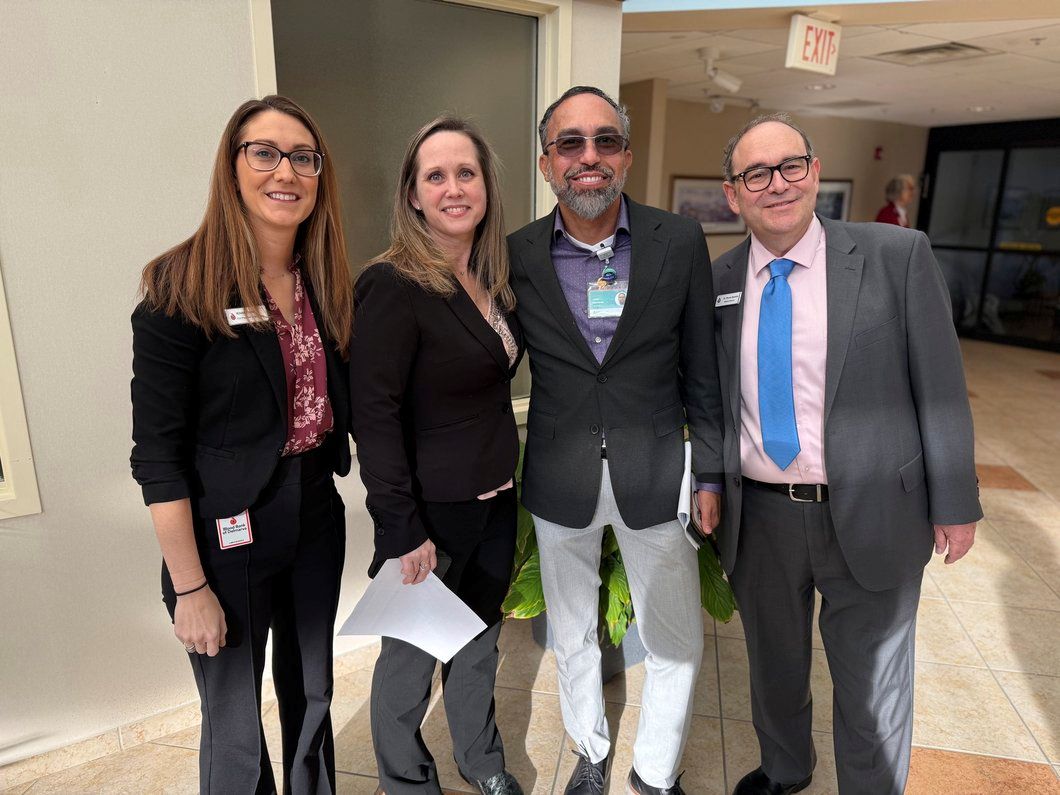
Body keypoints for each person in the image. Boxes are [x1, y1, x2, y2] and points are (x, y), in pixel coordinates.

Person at [711, 113, 981, 795]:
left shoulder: (897, 255)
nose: (777, 184)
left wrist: (955, 500)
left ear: (815, 171)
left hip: (876, 509)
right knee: (774, 664)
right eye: (756, 174)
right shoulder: (717, 282)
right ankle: (785, 769)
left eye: (791, 165)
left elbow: (941, 388)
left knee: (872, 680)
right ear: (732, 194)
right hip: (761, 516)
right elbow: (708, 399)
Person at [130, 95, 354, 793]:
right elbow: (157, 457)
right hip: (224, 530)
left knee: (312, 692)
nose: (286, 171)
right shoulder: (180, 288)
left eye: (303, 158)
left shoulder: (326, 283)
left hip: (314, 508)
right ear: (232, 166)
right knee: (232, 724)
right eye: (265, 152)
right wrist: (190, 586)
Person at [507, 86, 724, 795]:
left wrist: (710, 474)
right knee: (571, 633)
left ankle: (654, 773)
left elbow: (703, 369)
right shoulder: (516, 254)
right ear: (547, 163)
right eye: (570, 143)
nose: (589, 156)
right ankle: (590, 749)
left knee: (675, 638)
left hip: (657, 471)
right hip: (559, 472)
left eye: (606, 140)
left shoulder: (679, 240)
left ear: (627, 156)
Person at [349, 117, 525, 795]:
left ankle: (482, 763)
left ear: (486, 186)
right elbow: (375, 415)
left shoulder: (493, 278)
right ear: (413, 195)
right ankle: (406, 783)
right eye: (436, 176)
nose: (454, 188)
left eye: (466, 173)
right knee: (409, 664)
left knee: (478, 646)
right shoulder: (391, 284)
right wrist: (401, 526)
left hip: (494, 503)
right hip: (430, 514)